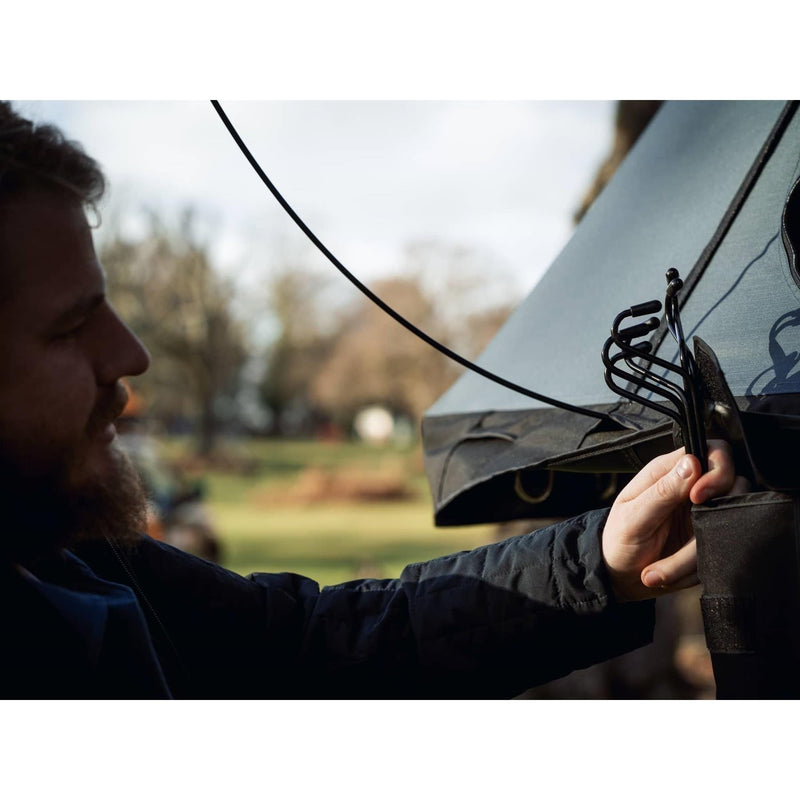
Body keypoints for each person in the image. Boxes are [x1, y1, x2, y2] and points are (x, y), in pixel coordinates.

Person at [0, 101, 743, 699]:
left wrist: (600, 559)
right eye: (70, 327)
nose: (132, 356)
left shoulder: (83, 561)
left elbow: (317, 642)